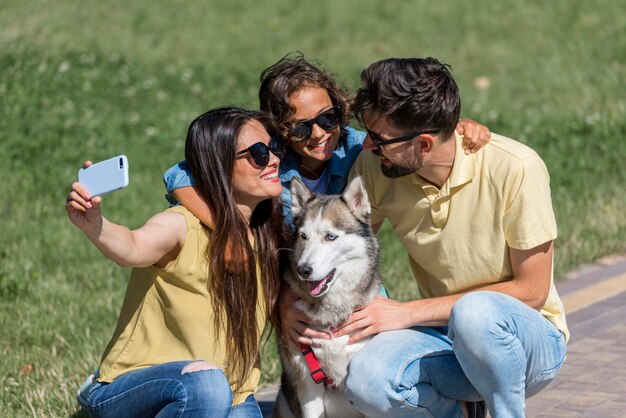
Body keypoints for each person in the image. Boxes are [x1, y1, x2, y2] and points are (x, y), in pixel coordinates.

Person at [162, 55, 490, 350]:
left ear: (340, 110)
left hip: (346, 279)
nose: (319, 134)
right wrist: (230, 231)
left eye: (328, 118)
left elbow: (411, 136)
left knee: (380, 350)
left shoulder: (357, 148)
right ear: (278, 130)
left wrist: (456, 128)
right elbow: (179, 176)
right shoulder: (268, 163)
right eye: (301, 128)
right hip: (287, 282)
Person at [317, 57, 567, 417]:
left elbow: (532, 290)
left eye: (379, 138)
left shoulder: (516, 167)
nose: (368, 146)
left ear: (424, 144)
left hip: (529, 344)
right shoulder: (376, 168)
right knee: (367, 381)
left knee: (474, 313)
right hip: (444, 339)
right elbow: (343, 251)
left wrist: (406, 313)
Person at [66, 107, 285, 417]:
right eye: (259, 153)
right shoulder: (181, 225)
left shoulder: (268, 235)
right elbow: (133, 247)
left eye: (274, 147)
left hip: (233, 396)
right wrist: (94, 224)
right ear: (220, 166)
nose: (273, 159)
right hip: (137, 392)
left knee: (216, 391)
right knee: (206, 385)